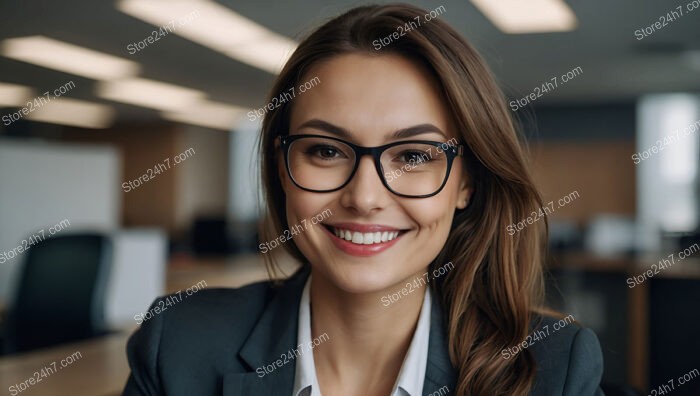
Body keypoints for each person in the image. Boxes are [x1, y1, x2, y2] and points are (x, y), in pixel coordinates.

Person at [122, 4, 604, 395]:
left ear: (466, 183)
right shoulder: (180, 345)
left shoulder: (556, 368)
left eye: (413, 155)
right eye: (326, 151)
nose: (365, 197)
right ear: (282, 168)